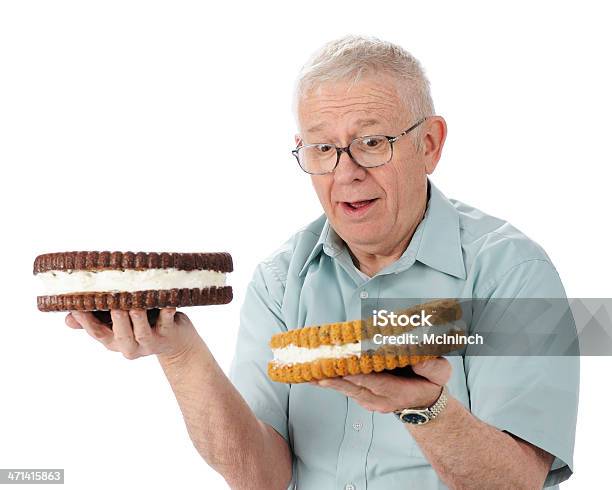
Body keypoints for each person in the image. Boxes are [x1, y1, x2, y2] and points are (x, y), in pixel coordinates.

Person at [66, 35, 579, 489]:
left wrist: (425, 408)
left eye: (372, 143)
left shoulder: (512, 274)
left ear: (429, 144)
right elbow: (260, 478)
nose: (345, 171)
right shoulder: (278, 280)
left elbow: (518, 483)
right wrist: (178, 351)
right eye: (322, 148)